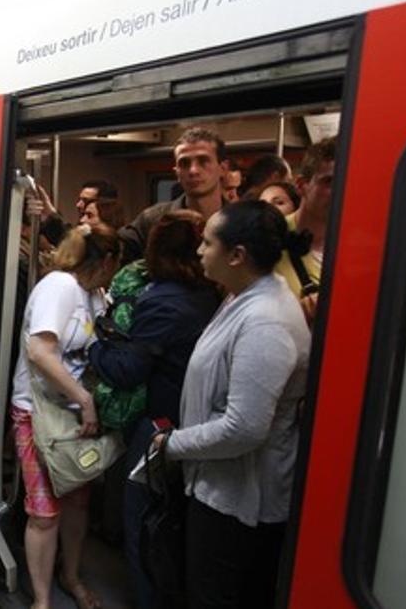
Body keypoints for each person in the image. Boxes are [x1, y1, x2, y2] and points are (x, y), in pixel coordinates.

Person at [153, 200, 310, 609]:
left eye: (207, 243)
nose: (200, 251)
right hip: (218, 487)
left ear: (237, 255)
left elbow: (245, 427)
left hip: (239, 503)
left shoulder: (265, 321)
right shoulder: (243, 296)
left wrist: (172, 445)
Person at [87, 210, 220, 609]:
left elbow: (127, 371)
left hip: (160, 429)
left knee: (145, 526)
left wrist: (96, 341)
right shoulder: (210, 294)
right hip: (194, 419)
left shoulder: (162, 300)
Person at [11, 223, 121, 609]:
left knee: (77, 503)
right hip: (38, 413)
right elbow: (40, 352)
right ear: (106, 261)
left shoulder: (95, 295)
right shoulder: (60, 287)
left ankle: (70, 576)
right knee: (44, 513)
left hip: (75, 417)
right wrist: (85, 399)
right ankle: (42, 600)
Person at [120, 127, 228, 263]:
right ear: (177, 173)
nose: (193, 171)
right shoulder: (154, 220)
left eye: (203, 161)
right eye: (184, 163)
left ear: (223, 169)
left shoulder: (239, 221)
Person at [274, 137, 336, 325]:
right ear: (302, 185)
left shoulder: (364, 249)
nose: (341, 189)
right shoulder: (267, 238)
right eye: (329, 181)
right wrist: (299, 313)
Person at [38, 179, 118, 246]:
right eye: (79, 200)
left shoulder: (111, 241)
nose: (78, 205)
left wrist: (50, 212)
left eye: (86, 201)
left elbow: (71, 242)